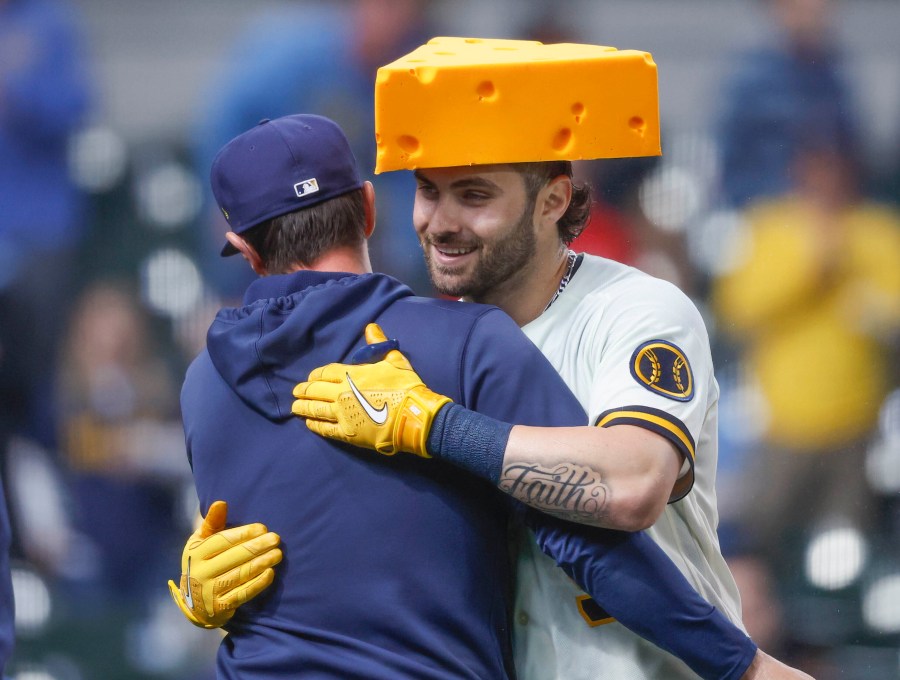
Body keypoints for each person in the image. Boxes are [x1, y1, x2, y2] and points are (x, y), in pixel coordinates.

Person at [169, 113, 804, 679]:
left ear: (554, 198)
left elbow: (634, 484)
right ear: (371, 208)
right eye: (427, 191)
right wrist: (213, 599)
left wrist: (436, 425)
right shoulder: (449, 334)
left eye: (473, 196)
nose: (443, 222)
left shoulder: (632, 310)